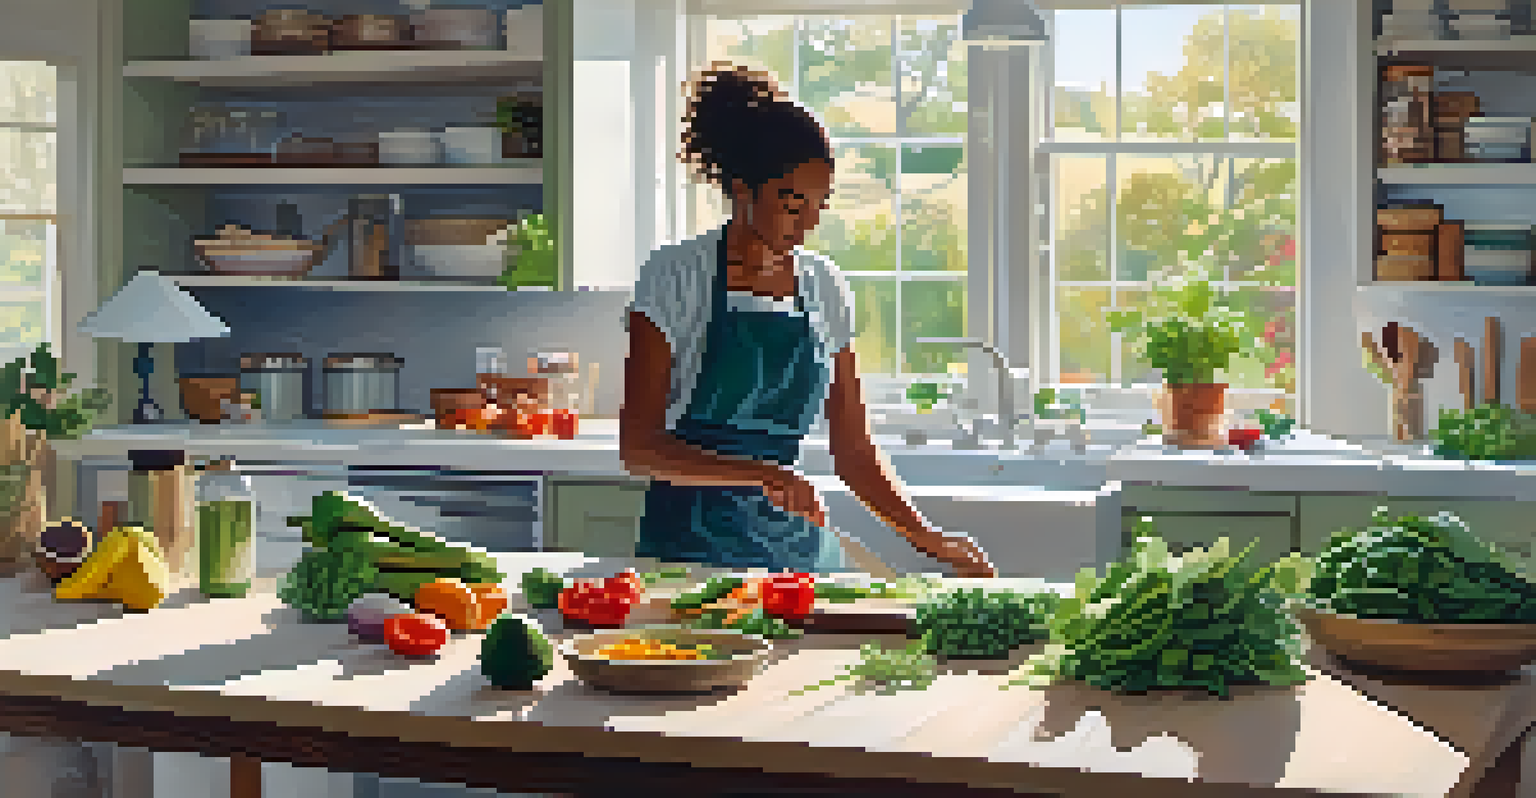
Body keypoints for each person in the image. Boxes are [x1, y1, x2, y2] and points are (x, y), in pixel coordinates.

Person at [620, 63, 996, 578]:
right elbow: (639, 448)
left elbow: (855, 451)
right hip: (687, 555)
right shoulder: (675, 275)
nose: (810, 223)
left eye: (820, 204)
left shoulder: (824, 286)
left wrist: (923, 536)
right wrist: (760, 475)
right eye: (791, 203)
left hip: (789, 550)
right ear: (741, 190)